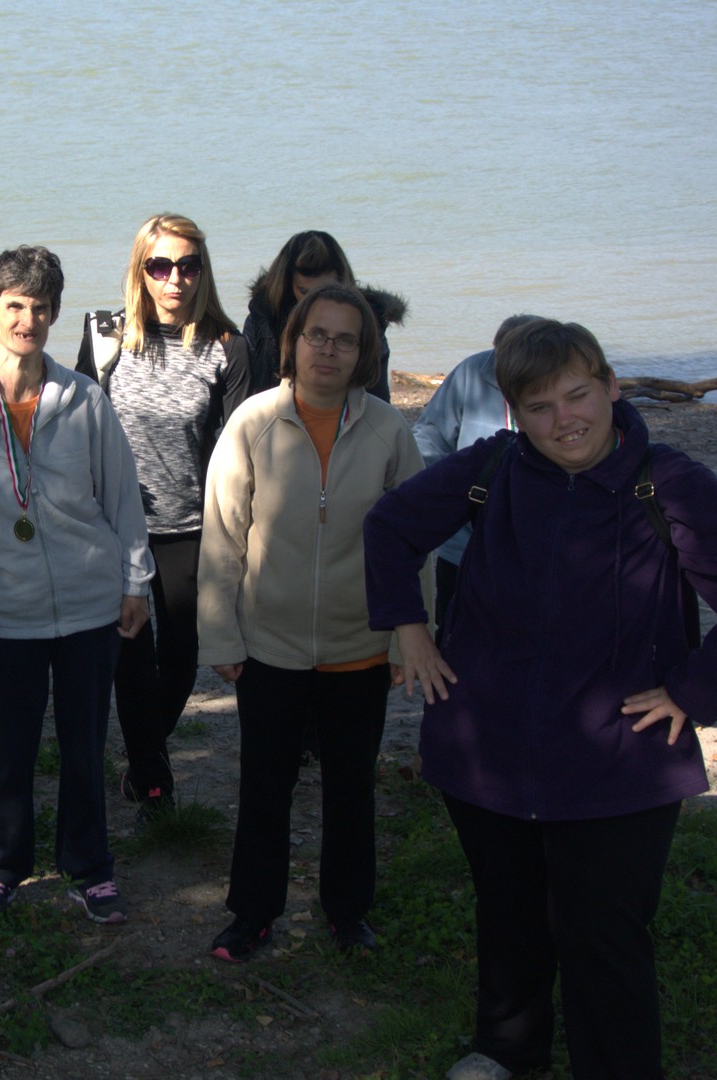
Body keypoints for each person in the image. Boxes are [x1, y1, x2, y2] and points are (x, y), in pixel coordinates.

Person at [364, 319, 717, 1080]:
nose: (563, 420)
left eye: (577, 396)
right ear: (514, 412)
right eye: (539, 407)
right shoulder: (493, 468)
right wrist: (410, 631)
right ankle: (508, 1050)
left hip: (618, 758)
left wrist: (693, 690)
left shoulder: (664, 482)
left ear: (610, 386)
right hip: (490, 744)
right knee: (508, 911)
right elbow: (390, 526)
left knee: (604, 934)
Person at [0, 245, 153, 924]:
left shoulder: (83, 399)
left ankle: (90, 868)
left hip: (90, 604)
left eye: (41, 308)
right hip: (6, 611)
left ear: (54, 313)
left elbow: (122, 498)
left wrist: (135, 582)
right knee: (10, 748)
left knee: (85, 747)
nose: (28, 320)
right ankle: (1, 866)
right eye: (15, 306)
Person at [198, 283, 426, 963]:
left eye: (345, 339)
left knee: (351, 789)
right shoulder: (252, 422)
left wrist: (406, 638)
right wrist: (220, 633)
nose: (328, 350)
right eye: (316, 335)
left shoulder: (388, 430)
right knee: (264, 787)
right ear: (292, 342)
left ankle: (347, 912)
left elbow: (414, 544)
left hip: (360, 646)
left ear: (364, 353)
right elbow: (222, 535)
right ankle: (252, 914)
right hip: (269, 646)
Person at [73, 212, 250, 817]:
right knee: (131, 655)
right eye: (161, 265)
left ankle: (145, 753)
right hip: (115, 525)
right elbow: (76, 425)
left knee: (179, 658)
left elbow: (238, 447)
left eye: (188, 265)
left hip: (191, 528)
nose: (175, 279)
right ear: (140, 270)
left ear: (203, 271)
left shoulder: (228, 347)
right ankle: (152, 781)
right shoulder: (105, 335)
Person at [409, 314, 541, 629]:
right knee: (455, 632)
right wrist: (452, 493)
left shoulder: (553, 381)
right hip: (464, 548)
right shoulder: (473, 372)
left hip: (540, 550)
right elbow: (428, 438)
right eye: (504, 358)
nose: (512, 369)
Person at [242, 230, 406, 399]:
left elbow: (376, 396)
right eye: (304, 291)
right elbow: (248, 392)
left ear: (342, 284)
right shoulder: (262, 321)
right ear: (286, 285)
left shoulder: (369, 322)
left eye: (324, 291)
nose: (314, 302)